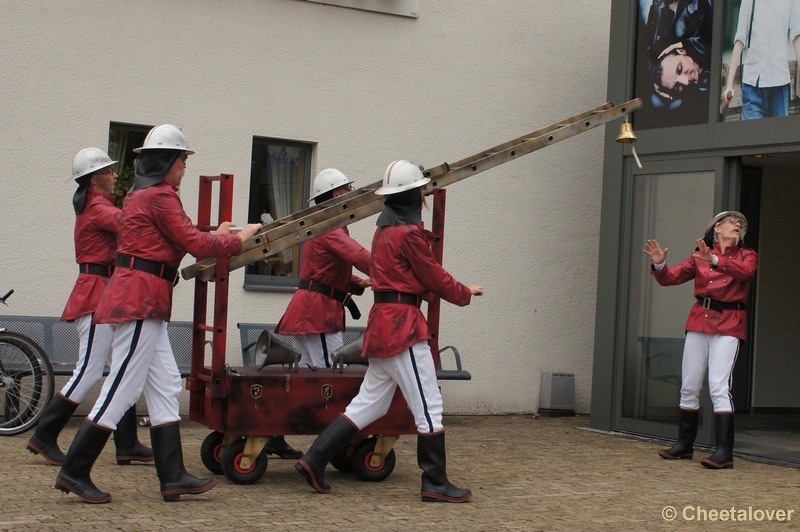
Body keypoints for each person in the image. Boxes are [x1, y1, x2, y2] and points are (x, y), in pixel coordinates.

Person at [54, 125, 262, 504]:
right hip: (141, 301)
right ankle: (74, 470)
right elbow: (196, 244)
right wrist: (240, 237)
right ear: (168, 161)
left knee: (165, 383)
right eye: (183, 159)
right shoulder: (160, 196)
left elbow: (177, 237)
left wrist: (217, 233)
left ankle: (173, 475)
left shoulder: (144, 195)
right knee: (122, 387)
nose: (184, 166)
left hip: (143, 299)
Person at [295, 160, 483, 502]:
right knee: (429, 404)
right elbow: (432, 275)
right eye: (420, 193)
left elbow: (406, 277)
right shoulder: (408, 233)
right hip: (402, 327)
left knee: (368, 405)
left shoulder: (384, 231)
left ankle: (314, 459)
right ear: (413, 197)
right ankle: (435, 482)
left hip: (384, 323)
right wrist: (464, 293)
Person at [27, 148, 152, 467]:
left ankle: (126, 444)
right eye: (109, 172)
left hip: (102, 292)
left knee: (119, 367)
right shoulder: (98, 207)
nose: (114, 177)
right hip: (96, 294)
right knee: (90, 369)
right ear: (95, 180)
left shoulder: (97, 205)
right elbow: (130, 223)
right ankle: (44, 436)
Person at [269, 169, 372, 459]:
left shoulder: (326, 224)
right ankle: (329, 447)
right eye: (347, 188)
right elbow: (359, 256)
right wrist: (391, 271)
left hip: (312, 309)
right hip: (317, 313)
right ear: (336, 194)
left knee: (303, 381)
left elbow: (324, 270)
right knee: (332, 378)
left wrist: (357, 283)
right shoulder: (330, 225)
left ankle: (274, 433)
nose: (352, 193)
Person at [644, 211, 757, 469]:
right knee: (689, 385)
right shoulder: (699, 255)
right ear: (717, 229)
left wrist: (715, 259)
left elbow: (746, 272)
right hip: (699, 321)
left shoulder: (747, 255)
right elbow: (671, 279)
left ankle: (724, 453)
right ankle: (684, 445)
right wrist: (660, 265)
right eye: (732, 221)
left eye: (741, 223)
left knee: (718, 385)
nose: (738, 224)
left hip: (729, 323)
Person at [721, 0, 800, 119]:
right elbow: (740, 40)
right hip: (752, 83)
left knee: (778, 135)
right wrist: (729, 85)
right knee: (753, 134)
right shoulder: (749, 1)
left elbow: (796, 36)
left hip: (779, 81)